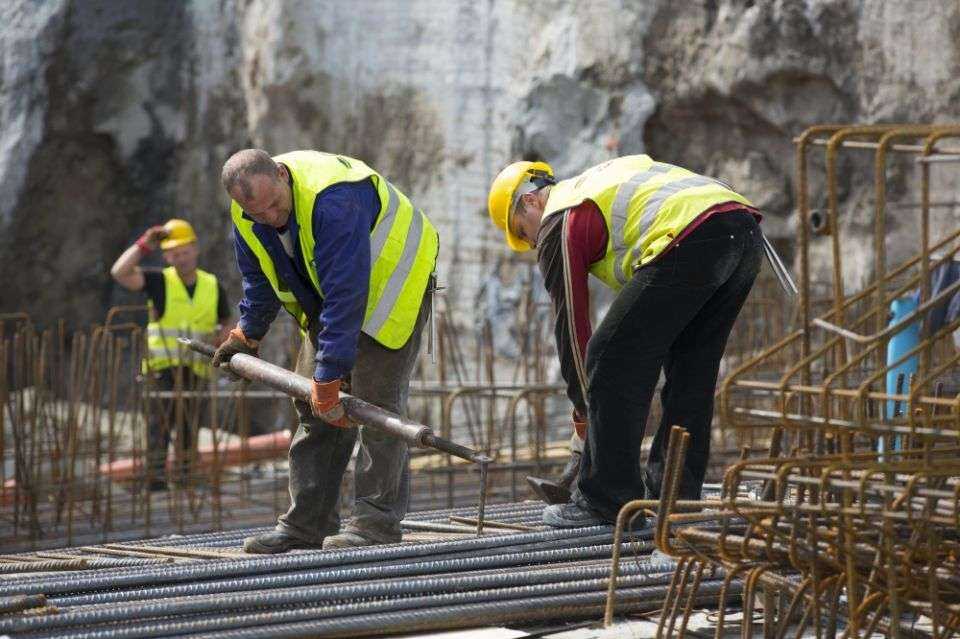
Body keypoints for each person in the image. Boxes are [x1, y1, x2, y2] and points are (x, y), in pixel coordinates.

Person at [486, 155, 763, 527]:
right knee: (690, 373)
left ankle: (607, 500)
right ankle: (676, 499)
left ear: (531, 201)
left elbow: (571, 328)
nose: (531, 242)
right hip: (742, 229)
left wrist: (585, 409)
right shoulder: (595, 184)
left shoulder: (559, 218)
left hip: (691, 235)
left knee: (608, 356)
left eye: (523, 231)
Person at [214, 149, 438, 553]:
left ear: (282, 175)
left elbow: (347, 291)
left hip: (391, 281)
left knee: (376, 408)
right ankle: (306, 526)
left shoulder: (333, 199)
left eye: (275, 206)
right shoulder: (249, 214)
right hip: (335, 295)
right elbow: (261, 276)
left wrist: (330, 373)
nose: (271, 219)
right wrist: (248, 332)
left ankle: (375, 524)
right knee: (312, 403)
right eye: (259, 214)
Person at [111, 219, 231, 491]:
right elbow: (119, 272)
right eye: (174, 253)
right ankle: (155, 482)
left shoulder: (212, 285)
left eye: (185, 250)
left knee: (189, 428)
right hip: (161, 368)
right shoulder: (158, 281)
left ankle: (186, 478)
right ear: (166, 256)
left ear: (195, 249)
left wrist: (223, 335)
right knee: (158, 428)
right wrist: (144, 245)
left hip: (196, 368)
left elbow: (226, 319)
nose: (181, 257)